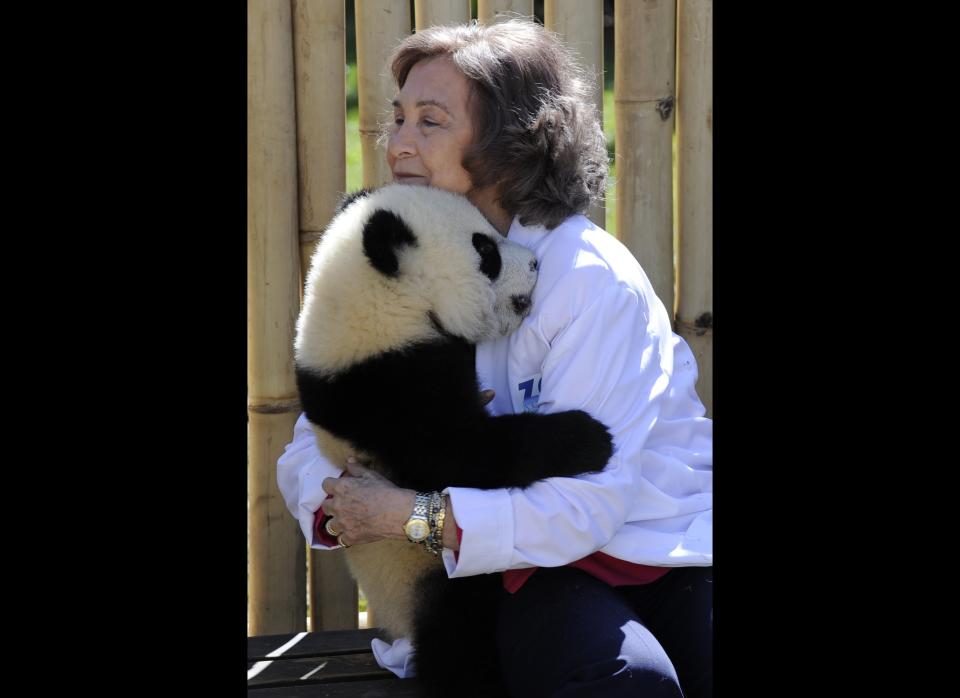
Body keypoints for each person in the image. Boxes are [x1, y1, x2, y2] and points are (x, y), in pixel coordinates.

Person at [277, 17, 712, 698]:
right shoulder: (407, 250)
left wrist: (410, 513)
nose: (397, 144)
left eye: (430, 121)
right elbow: (317, 440)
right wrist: (344, 500)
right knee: (625, 682)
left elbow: (584, 506)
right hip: (528, 574)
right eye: (397, 119)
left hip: (664, 552)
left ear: (510, 141)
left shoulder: (588, 278)